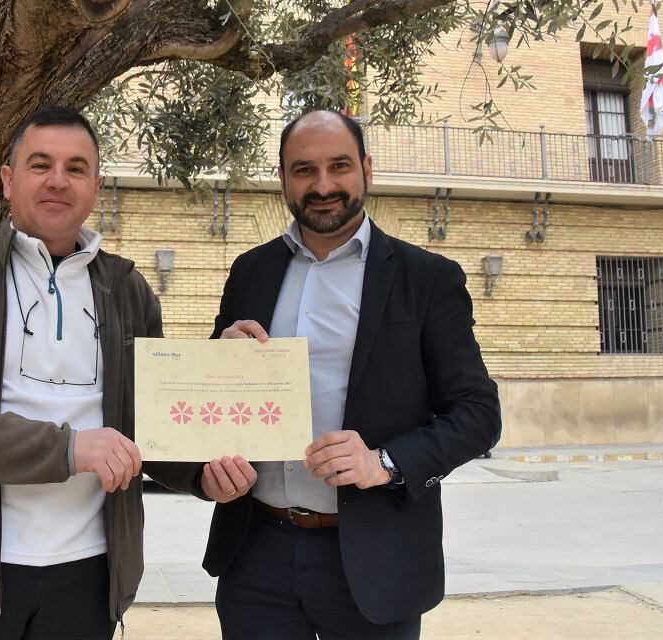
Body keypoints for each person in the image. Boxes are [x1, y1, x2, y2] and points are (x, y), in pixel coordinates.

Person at [0, 107, 204, 639]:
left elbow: (151, 423)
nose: (58, 180)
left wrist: (203, 471)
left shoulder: (129, 292)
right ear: (8, 181)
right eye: (40, 165)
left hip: (89, 578)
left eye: (76, 168)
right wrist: (70, 449)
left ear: (96, 186)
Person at [201, 109, 502, 640]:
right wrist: (219, 369)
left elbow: (478, 415)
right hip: (256, 555)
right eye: (303, 170)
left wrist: (384, 462)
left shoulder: (427, 279)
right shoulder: (250, 271)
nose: (323, 186)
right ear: (282, 178)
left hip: (375, 560)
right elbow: (217, 406)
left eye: (339, 166)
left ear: (366, 169)